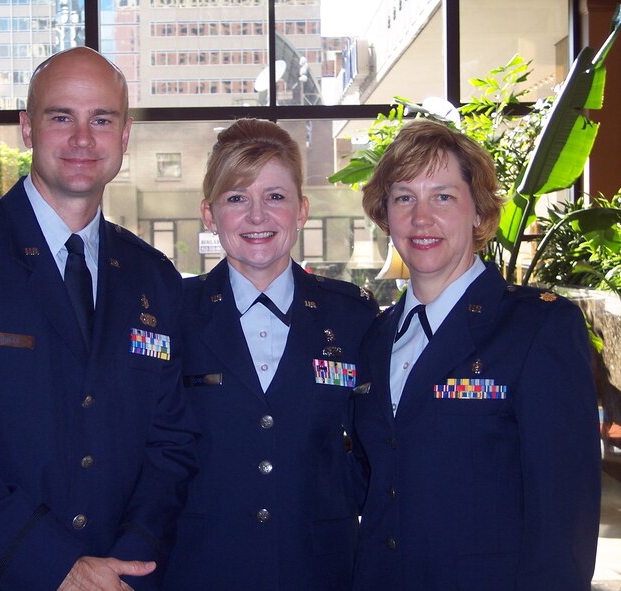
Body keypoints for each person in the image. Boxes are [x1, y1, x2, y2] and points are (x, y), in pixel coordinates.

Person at [0, 47, 198, 591]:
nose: (83, 139)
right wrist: (57, 566)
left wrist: (131, 558)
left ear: (124, 137)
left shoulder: (154, 276)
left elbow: (171, 442)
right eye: (61, 117)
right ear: (27, 129)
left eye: (102, 119)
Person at [351, 119, 601, 590]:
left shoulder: (536, 328)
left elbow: (565, 512)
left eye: (442, 196)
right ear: (386, 214)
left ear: (478, 211)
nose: (421, 219)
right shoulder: (375, 336)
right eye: (404, 197)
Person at [162, 118, 378, 590]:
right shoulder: (173, 314)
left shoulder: (352, 316)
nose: (257, 216)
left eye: (275, 197)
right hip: (201, 566)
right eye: (236, 198)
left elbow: (376, 446)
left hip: (322, 567)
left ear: (302, 210)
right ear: (209, 213)